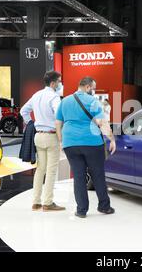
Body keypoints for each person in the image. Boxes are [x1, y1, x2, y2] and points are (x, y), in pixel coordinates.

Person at [56, 77, 116, 218]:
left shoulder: (64, 101)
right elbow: (102, 123)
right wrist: (112, 139)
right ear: (88, 87)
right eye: (93, 88)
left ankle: (81, 210)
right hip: (92, 143)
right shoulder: (92, 101)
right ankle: (104, 207)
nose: (94, 91)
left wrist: (61, 142)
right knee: (98, 175)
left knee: (78, 177)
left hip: (70, 143)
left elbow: (58, 123)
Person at [20, 71, 65, 212]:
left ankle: (36, 202)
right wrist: (61, 135)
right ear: (53, 83)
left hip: (38, 136)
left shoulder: (36, 95)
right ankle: (48, 202)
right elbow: (60, 115)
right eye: (59, 81)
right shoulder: (54, 97)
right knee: (51, 171)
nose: (60, 84)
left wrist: (31, 123)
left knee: (40, 169)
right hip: (51, 136)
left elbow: (23, 111)